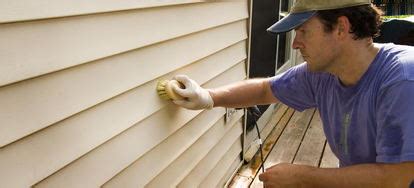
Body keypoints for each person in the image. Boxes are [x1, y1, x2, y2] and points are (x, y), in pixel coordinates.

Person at [171, 0, 414, 187]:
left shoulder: (402, 80)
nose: (295, 43)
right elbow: (265, 88)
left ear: (341, 28)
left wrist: (303, 177)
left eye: (303, 31)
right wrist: (208, 97)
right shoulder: (323, 73)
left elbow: (395, 179)